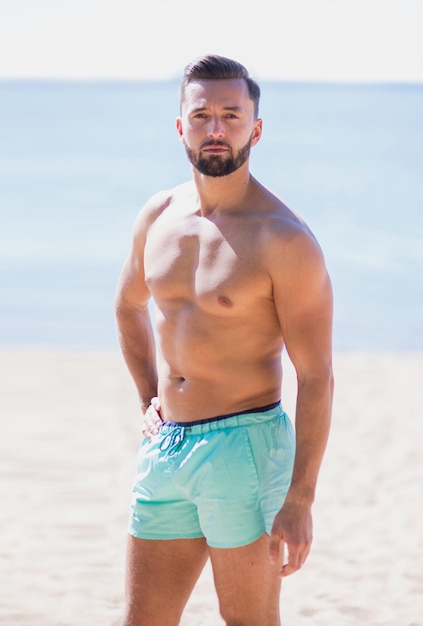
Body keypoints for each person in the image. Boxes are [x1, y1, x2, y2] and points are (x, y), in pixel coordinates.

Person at [115, 54, 334, 626]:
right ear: (180, 125)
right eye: (202, 115)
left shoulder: (284, 240)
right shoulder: (157, 216)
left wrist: (301, 500)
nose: (216, 129)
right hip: (167, 448)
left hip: (245, 448)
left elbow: (315, 376)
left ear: (255, 129)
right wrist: (146, 397)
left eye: (231, 116)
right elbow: (128, 306)